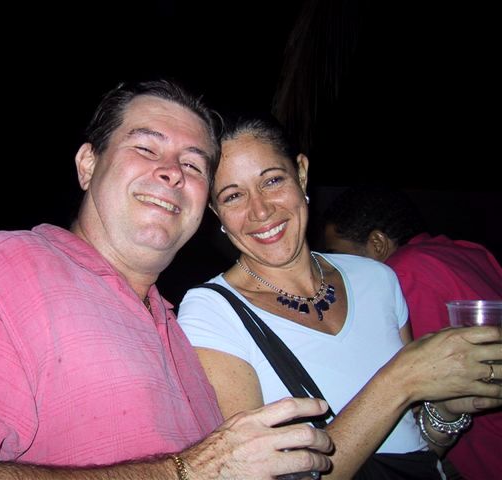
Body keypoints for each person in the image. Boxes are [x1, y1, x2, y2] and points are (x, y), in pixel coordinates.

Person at [0, 80, 334, 480]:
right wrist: (188, 470)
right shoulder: (2, 271)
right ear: (88, 165)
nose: (172, 172)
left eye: (193, 165)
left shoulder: (176, 328)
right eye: (146, 148)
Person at [176, 113, 502, 479]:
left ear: (301, 173)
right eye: (233, 195)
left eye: (272, 180)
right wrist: (400, 380)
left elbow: (414, 448)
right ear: (215, 210)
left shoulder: (378, 278)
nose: (261, 210)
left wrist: (448, 410)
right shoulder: (210, 312)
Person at [322, 185, 502, 479]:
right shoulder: (466, 250)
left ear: (377, 243)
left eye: (339, 254)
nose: (334, 267)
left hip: (484, 444)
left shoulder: (400, 274)